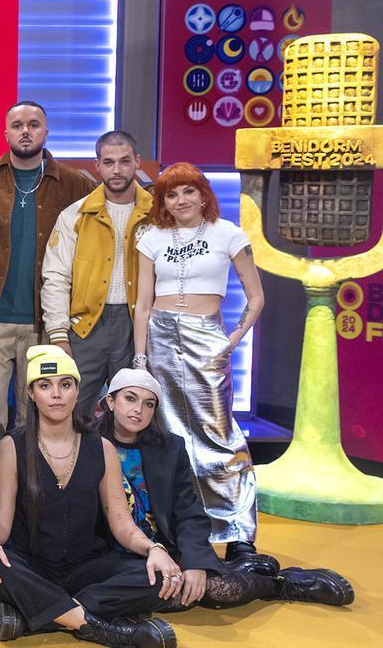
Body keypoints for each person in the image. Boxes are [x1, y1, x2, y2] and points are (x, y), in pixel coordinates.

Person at [92, 368, 354, 618]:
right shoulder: (86, 446)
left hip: (168, 547)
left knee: (218, 593)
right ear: (111, 401)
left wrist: (195, 562)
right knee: (167, 593)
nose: (139, 409)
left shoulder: (169, 448)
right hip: (116, 554)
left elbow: (189, 512)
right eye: (130, 398)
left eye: (149, 404)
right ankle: (239, 570)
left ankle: (281, 584)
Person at [0, 345, 180, 647]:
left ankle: (37, 613)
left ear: (78, 390)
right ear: (31, 393)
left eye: (65, 384)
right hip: (31, 565)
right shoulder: (11, 446)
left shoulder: (102, 447)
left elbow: (120, 521)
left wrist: (154, 548)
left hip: (86, 568)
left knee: (158, 576)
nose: (56, 394)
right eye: (45, 385)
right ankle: (101, 628)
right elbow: (1, 522)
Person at [132, 162, 265, 564]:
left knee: (219, 433)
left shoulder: (228, 233)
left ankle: (239, 532)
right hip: (159, 337)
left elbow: (256, 297)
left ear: (203, 193)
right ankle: (182, 532)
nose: (181, 200)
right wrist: (140, 358)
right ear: (163, 202)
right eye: (171, 194)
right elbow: (141, 304)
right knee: (170, 436)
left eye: (188, 191)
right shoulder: (151, 237)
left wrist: (230, 342)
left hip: (207, 337)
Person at [0, 101, 95, 432]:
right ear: (6, 133)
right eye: (17, 126)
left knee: (38, 418)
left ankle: (35, 483)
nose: (25, 131)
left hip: (45, 321)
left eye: (33, 124)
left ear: (46, 131)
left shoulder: (74, 184)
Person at [41, 131, 154, 419]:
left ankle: (126, 466)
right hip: (84, 328)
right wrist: (58, 336)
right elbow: (55, 277)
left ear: (137, 162)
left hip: (138, 327)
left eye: (125, 161)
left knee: (134, 414)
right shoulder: (75, 215)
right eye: (109, 162)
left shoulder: (157, 215)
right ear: (97, 166)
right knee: (71, 412)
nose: (117, 170)